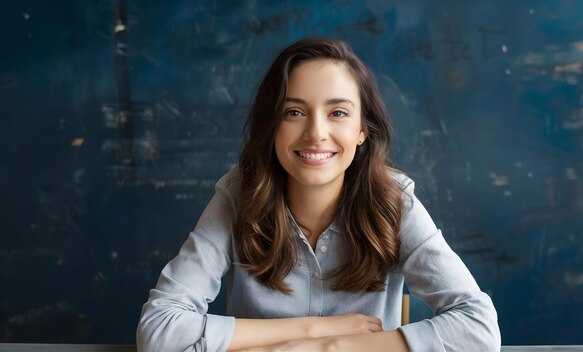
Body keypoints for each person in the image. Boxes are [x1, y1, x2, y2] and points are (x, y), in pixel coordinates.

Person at [136, 37, 500, 351]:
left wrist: (337, 346)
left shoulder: (393, 200)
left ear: (362, 131)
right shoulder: (238, 194)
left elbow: (478, 328)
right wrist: (313, 330)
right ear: (272, 127)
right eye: (294, 112)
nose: (316, 133)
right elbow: (159, 331)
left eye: (338, 112)